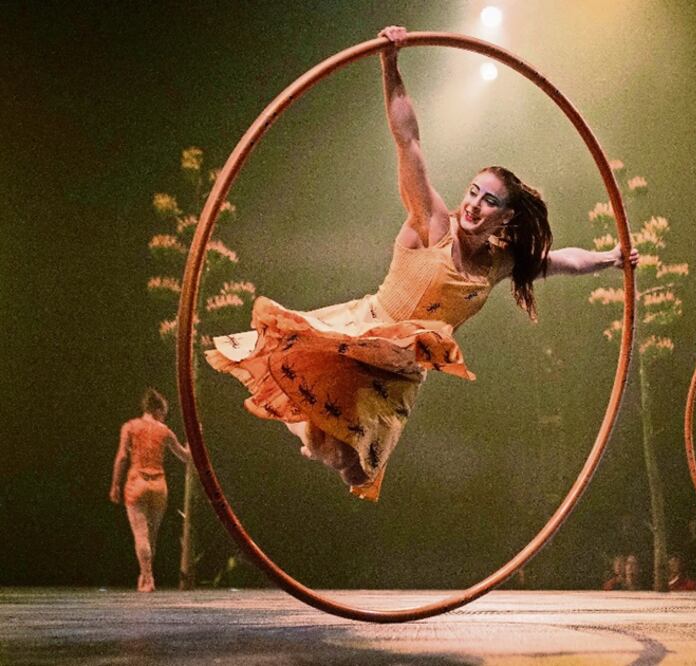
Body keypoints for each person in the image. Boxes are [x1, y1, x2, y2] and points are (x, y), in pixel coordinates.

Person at [206, 25, 637, 502]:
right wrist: (391, 64)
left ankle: (320, 435)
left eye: (489, 201)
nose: (474, 205)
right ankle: (317, 425)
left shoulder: (499, 263)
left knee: (354, 470)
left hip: (402, 371)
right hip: (363, 335)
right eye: (473, 192)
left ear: (506, 215)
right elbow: (407, 140)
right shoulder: (432, 223)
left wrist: (612, 258)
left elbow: (559, 262)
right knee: (319, 412)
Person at [110, 388, 192, 592]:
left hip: (137, 481)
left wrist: (116, 484)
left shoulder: (130, 427)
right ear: (158, 410)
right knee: (152, 535)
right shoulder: (164, 431)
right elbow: (185, 457)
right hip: (158, 485)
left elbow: (121, 457)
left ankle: (147, 578)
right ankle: (146, 575)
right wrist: (192, 441)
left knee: (141, 534)